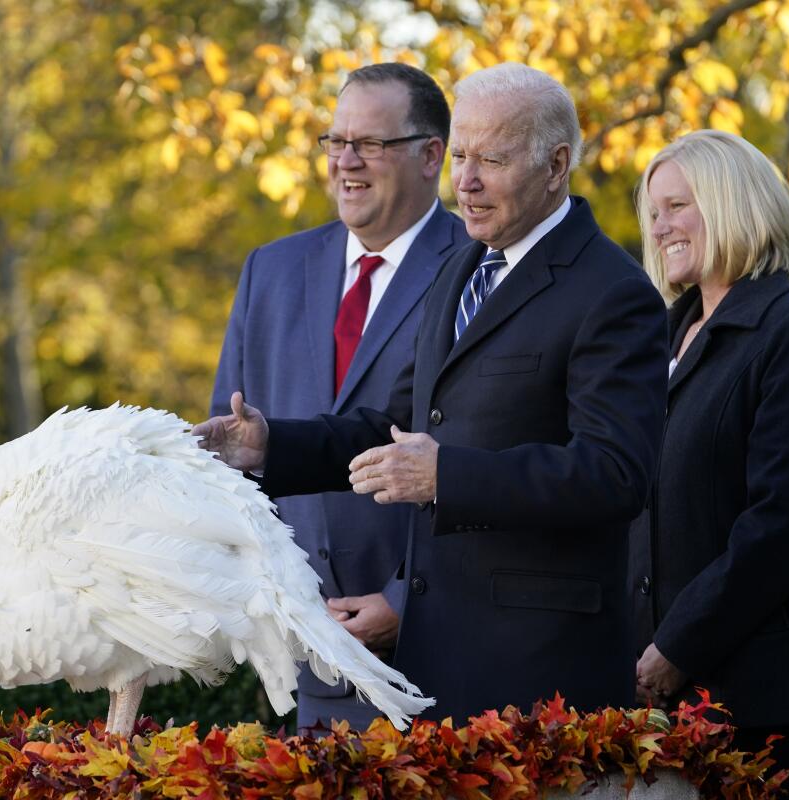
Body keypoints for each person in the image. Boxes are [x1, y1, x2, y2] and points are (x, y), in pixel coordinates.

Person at [196, 62, 668, 723]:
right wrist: (272, 445)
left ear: (556, 165)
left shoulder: (613, 293)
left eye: (492, 161)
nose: (466, 182)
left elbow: (616, 474)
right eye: (463, 157)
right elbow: (391, 424)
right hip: (437, 673)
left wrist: (448, 474)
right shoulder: (464, 267)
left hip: (540, 682)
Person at [210, 63, 470, 731]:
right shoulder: (270, 269)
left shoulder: (479, 266)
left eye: (371, 144)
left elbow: (490, 452)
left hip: (450, 657)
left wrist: (404, 599)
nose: (346, 161)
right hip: (308, 666)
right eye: (336, 140)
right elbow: (229, 461)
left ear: (430, 156)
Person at [629, 129, 789, 799]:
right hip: (667, 689)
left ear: (733, 204)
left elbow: (782, 523)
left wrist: (678, 644)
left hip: (768, 694)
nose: (661, 227)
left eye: (678, 206)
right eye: (654, 213)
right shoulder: (659, 344)